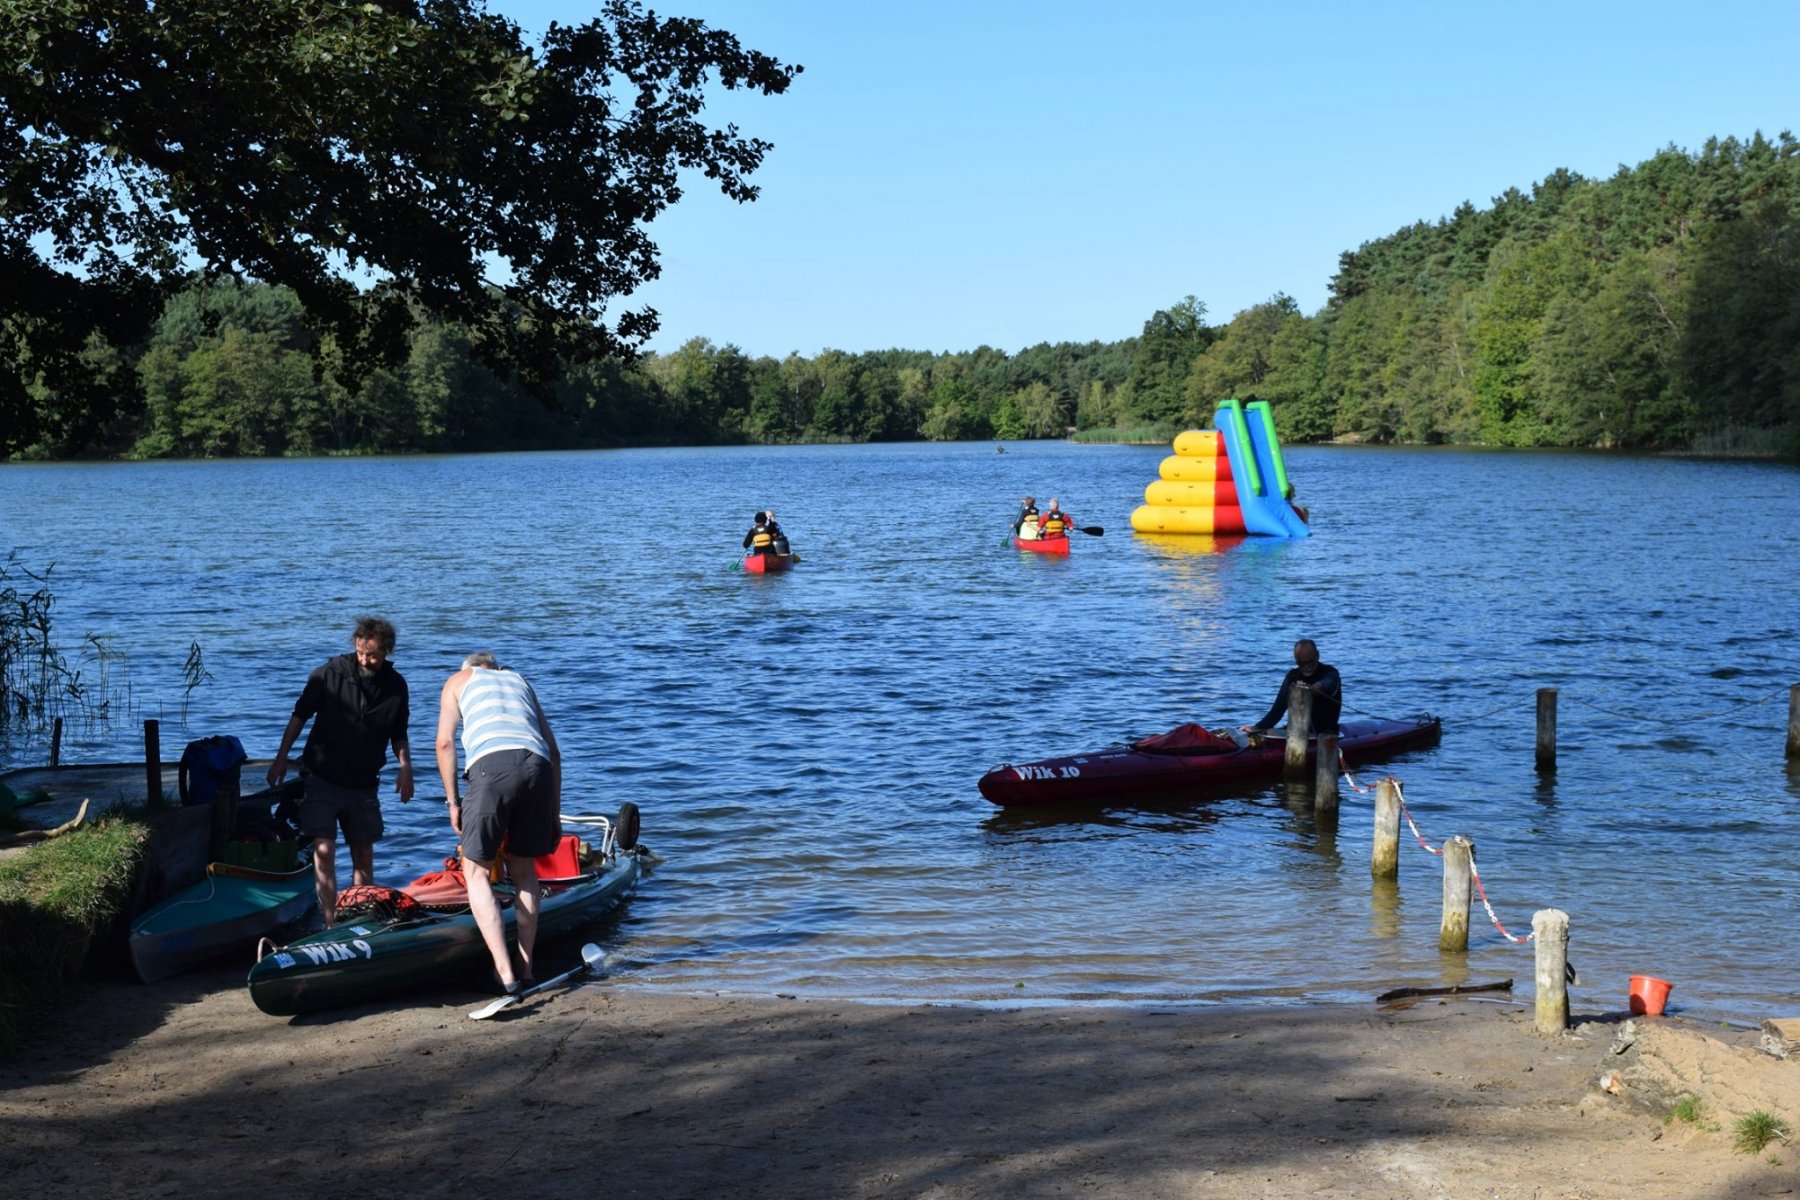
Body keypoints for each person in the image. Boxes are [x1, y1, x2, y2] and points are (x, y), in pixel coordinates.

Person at [268, 617, 414, 927]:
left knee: (363, 852)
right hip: (321, 777)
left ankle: (362, 917)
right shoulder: (330, 673)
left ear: (387, 651)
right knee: (323, 850)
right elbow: (299, 716)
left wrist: (405, 767)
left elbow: (398, 733)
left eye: (372, 654)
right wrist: (281, 757)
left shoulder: (396, 686)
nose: (364, 659)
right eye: (360, 652)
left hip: (363, 783)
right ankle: (330, 922)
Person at [435, 651, 563, 999]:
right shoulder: (520, 680)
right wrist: (554, 813)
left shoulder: (458, 681)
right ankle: (526, 968)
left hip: (491, 767)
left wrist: (452, 802)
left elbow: (445, 743)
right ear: (497, 668)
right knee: (524, 872)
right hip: (537, 765)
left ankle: (504, 972)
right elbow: (554, 752)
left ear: (470, 669)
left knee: (475, 871)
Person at [1243, 638, 1342, 737]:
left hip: (1324, 734)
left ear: (1317, 655)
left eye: (1310, 662)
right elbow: (1277, 710)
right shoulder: (1292, 677)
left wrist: (1315, 688)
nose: (1306, 667)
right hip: (1295, 732)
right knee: (1266, 732)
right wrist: (1257, 728)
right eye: (1301, 664)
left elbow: (1328, 683)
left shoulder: (1329, 672)